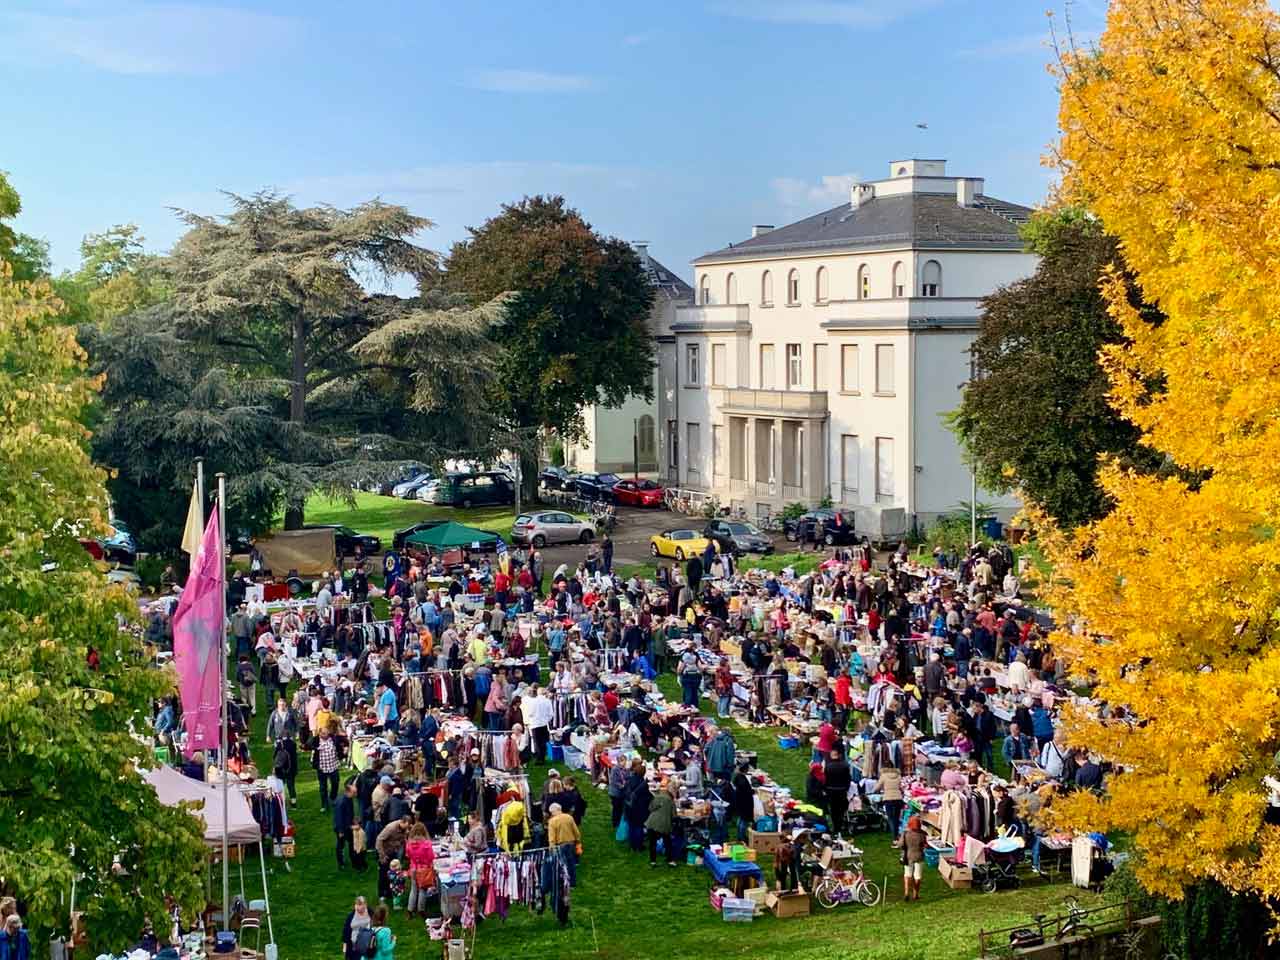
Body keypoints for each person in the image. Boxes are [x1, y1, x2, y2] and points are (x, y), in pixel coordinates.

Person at [376, 814, 412, 903]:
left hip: (393, 852)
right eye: (406, 827)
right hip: (384, 852)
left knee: (392, 874)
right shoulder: (390, 828)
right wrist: (382, 855)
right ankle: (381, 894)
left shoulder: (404, 829)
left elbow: (403, 839)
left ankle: (389, 892)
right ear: (402, 822)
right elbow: (379, 840)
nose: (406, 830)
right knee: (383, 874)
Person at [404, 823, 436, 918]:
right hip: (424, 869)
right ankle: (421, 909)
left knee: (413, 889)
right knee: (423, 889)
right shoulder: (426, 844)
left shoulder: (409, 844)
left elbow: (408, 856)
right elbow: (431, 857)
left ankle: (410, 910)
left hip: (414, 868)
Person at [547, 801, 582, 885]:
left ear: (554, 811)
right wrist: (577, 840)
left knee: (562, 865)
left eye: (551, 812)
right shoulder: (569, 817)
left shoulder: (552, 821)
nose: (551, 814)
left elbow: (552, 837)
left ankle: (564, 883)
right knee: (571, 863)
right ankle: (573, 882)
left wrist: (551, 847)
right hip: (571, 843)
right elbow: (576, 831)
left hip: (560, 846)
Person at [334, 781, 366, 871]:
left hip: (348, 825)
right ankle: (341, 863)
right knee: (340, 846)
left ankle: (354, 862)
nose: (356, 794)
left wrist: (354, 819)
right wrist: (341, 831)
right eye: (354, 792)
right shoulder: (341, 802)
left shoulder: (349, 799)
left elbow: (349, 813)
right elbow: (339, 818)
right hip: (342, 828)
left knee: (352, 844)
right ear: (348, 791)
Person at [645, 780, 678, 867]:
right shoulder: (670, 801)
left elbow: (650, 808)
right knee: (668, 842)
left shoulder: (657, 796)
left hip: (651, 822)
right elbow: (674, 815)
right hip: (664, 825)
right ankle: (670, 860)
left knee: (652, 843)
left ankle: (653, 861)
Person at [623, 759, 651, 853]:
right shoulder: (643, 784)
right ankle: (639, 846)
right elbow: (647, 797)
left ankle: (632, 846)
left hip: (629, 807)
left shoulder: (630, 779)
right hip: (639, 809)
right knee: (639, 828)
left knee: (632, 827)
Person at [822, 748, 852, 837]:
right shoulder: (845, 766)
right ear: (839, 755)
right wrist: (846, 788)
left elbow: (825, 780)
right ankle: (840, 826)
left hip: (831, 791)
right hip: (842, 790)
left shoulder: (828, 767)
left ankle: (836, 828)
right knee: (841, 810)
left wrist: (826, 789)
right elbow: (848, 779)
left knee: (834, 810)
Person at [872, 762, 904, 845]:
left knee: (890, 818)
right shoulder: (898, 775)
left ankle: (895, 838)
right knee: (896, 818)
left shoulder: (884, 776)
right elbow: (901, 787)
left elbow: (877, 787)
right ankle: (896, 835)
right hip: (898, 798)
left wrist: (874, 791)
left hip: (888, 798)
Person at [901, 815, 927, 901]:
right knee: (917, 876)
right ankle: (916, 894)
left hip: (908, 856)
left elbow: (900, 845)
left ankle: (906, 893)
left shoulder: (905, 833)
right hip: (919, 855)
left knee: (907, 874)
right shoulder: (922, 834)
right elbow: (925, 845)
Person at [314, 728, 340, 811]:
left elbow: (341, 744)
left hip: (333, 766)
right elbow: (307, 745)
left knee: (335, 783)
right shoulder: (316, 740)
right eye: (324, 733)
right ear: (320, 734)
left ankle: (332, 797)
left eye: (327, 733)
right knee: (323, 787)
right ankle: (324, 804)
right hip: (322, 767)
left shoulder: (333, 738)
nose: (326, 735)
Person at [341, 896, 372, 960]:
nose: (357, 907)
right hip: (354, 948)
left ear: (365, 905)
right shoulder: (351, 916)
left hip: (367, 945)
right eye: (356, 904)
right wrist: (344, 948)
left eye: (360, 904)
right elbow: (346, 932)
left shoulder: (370, 913)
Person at [731, 761, 754, 842]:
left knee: (740, 820)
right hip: (744, 803)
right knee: (743, 821)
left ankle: (740, 835)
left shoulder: (737, 777)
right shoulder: (742, 780)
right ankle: (742, 837)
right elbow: (746, 792)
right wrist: (752, 791)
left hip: (739, 802)